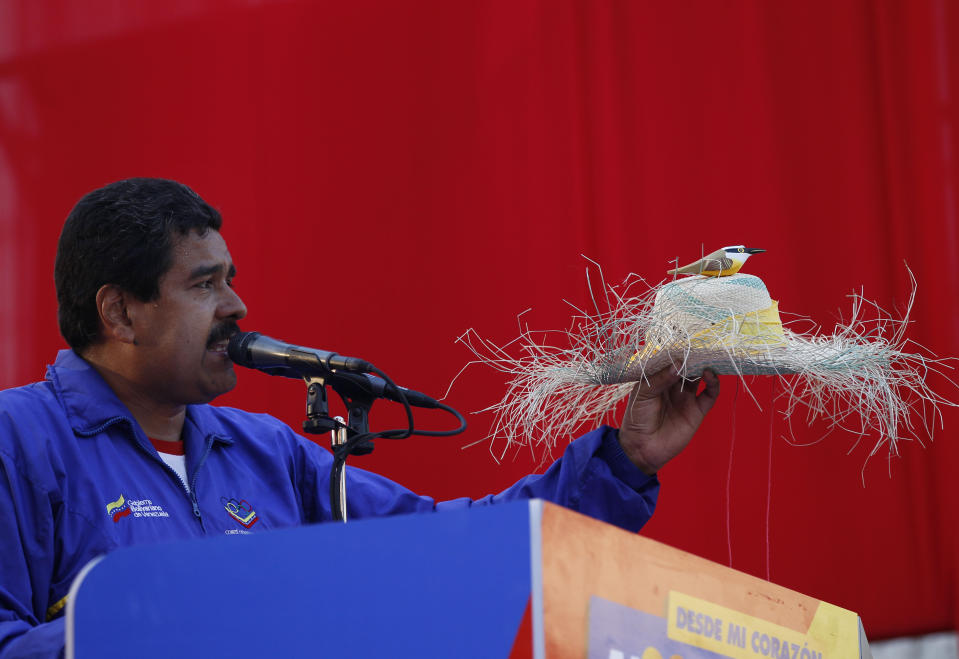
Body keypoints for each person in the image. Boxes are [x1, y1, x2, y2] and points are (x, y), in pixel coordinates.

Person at [0, 178, 719, 658]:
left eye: (232, 281)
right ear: (119, 311)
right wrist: (159, 618)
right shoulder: (20, 439)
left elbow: (459, 549)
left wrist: (626, 460)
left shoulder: (267, 452)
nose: (236, 308)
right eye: (203, 284)